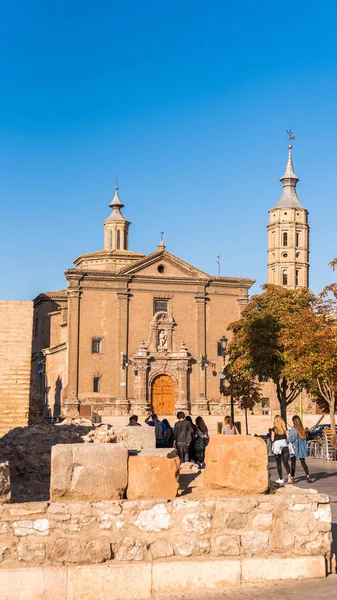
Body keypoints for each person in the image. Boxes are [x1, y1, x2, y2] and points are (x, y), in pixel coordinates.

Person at [288, 416, 312, 483]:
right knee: (303, 463)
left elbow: (291, 439)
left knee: (293, 463)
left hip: (295, 448)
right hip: (302, 448)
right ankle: (308, 476)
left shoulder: (293, 429)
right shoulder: (302, 429)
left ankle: (292, 477)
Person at [271, 415, 290, 485]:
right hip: (285, 446)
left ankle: (281, 478)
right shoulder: (284, 428)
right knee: (286, 463)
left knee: (278, 463)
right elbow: (288, 438)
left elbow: (272, 439)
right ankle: (289, 475)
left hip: (277, 447)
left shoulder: (274, 429)